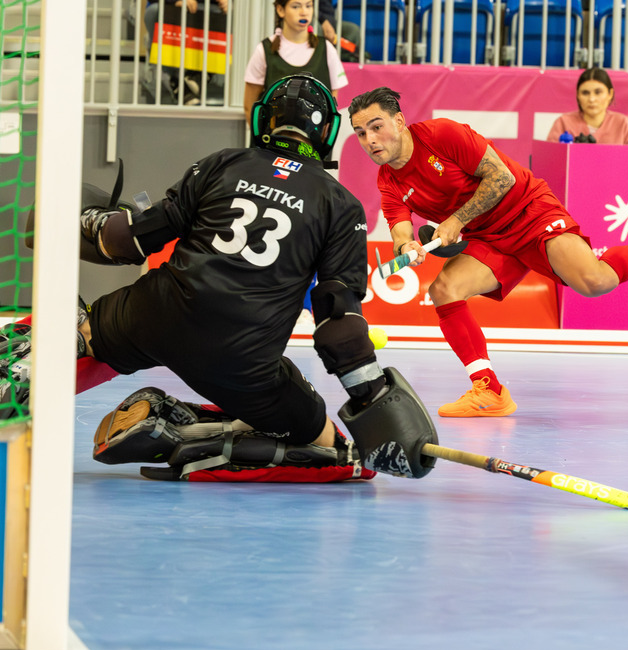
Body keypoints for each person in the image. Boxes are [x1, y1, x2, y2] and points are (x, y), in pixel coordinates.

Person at [68, 74, 433, 481]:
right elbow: (338, 325)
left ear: (264, 120)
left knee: (84, 332)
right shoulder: (341, 205)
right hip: (239, 359)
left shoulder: (223, 161)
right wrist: (373, 400)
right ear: (327, 131)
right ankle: (204, 436)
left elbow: (131, 241)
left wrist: (83, 220)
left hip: (153, 314)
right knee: (343, 455)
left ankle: (31, 367)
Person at [348, 86, 628, 418]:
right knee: (444, 290)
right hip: (488, 237)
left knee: (594, 282)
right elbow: (399, 226)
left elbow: (502, 178)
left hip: (528, 209)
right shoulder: (389, 180)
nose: (370, 140)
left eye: (376, 127)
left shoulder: (442, 134)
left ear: (399, 120)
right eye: (361, 133)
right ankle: (489, 391)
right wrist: (406, 246)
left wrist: (457, 219)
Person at [243, 0, 349, 121]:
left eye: (308, 6)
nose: (304, 12)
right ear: (280, 10)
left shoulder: (327, 49)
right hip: (273, 137)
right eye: (296, 6)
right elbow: (249, 106)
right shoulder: (264, 49)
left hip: (313, 138)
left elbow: (331, 109)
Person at [142, 0, 229, 105]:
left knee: (233, 14)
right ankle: (176, 82)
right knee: (156, 11)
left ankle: (197, 78)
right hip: (169, 5)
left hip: (209, 7)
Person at [545, 68, 628, 145]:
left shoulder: (623, 124)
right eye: (585, 93)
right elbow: (550, 159)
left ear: (610, 94)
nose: (591, 99)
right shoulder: (563, 123)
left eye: (598, 92)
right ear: (578, 95)